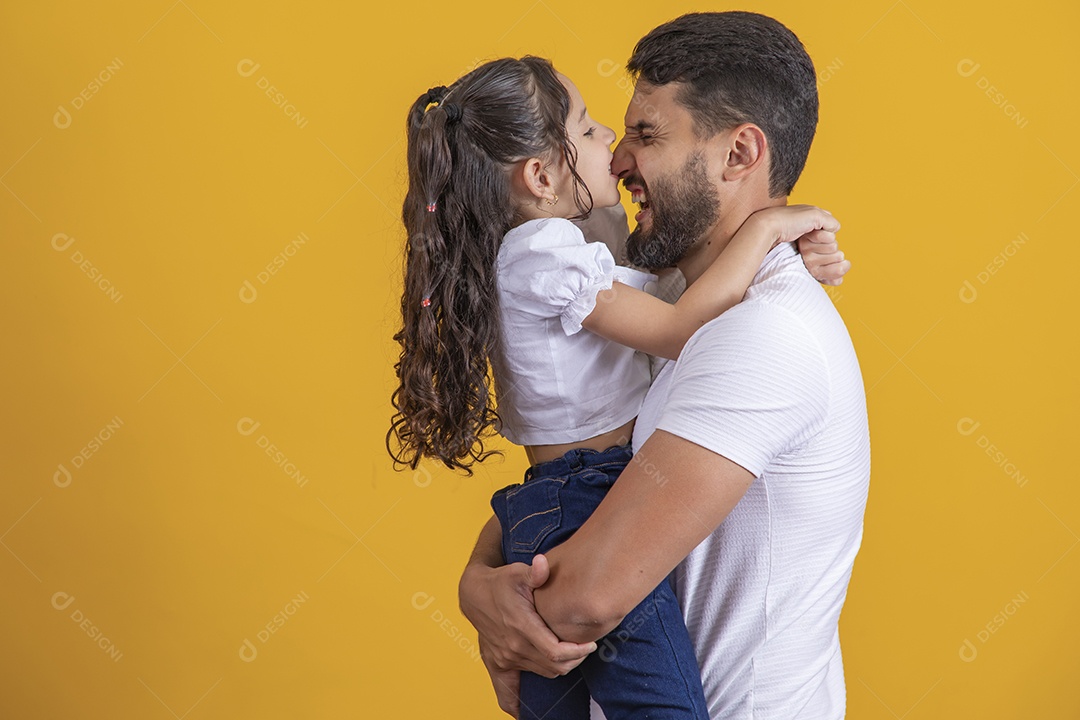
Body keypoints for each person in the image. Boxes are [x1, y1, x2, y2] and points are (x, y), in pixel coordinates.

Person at [387, 53, 849, 719]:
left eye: (645, 134)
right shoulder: (547, 254)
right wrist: (769, 228)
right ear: (540, 176)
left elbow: (590, 592)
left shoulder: (763, 332)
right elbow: (676, 328)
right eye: (592, 129)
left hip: (575, 493)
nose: (616, 148)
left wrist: (782, 244)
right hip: (579, 491)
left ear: (740, 152)